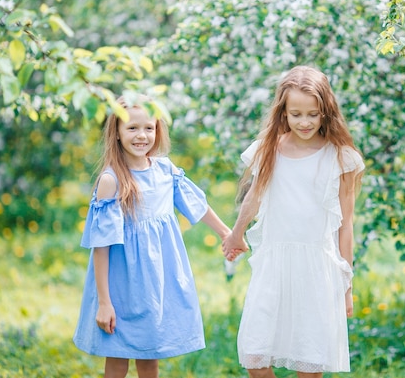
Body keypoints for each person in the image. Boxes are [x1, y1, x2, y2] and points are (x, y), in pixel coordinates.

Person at [73, 96, 232, 378]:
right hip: (121, 284)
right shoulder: (112, 180)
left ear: (158, 130)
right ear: (117, 132)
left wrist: (226, 233)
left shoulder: (165, 170)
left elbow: (197, 206)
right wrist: (104, 302)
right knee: (118, 357)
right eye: (132, 128)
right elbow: (101, 246)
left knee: (150, 355)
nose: (142, 135)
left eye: (149, 127)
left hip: (157, 282)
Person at [222, 66, 365, 378]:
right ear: (282, 113)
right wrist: (235, 234)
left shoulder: (341, 157)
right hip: (274, 264)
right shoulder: (270, 149)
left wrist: (346, 286)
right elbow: (254, 197)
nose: (304, 122)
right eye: (295, 114)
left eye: (313, 114)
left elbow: (346, 225)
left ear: (326, 112)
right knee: (255, 355)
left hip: (317, 268)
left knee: (309, 361)